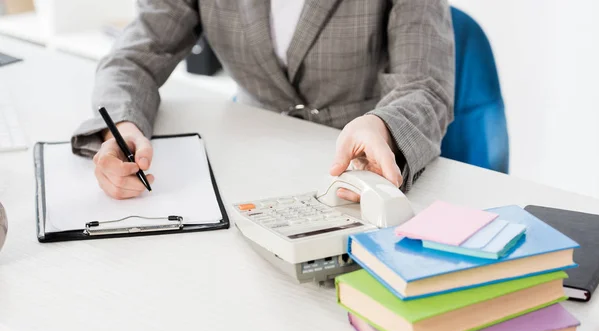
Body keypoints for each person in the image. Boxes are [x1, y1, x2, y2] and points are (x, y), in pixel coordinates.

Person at [72, 0, 455, 201]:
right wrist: (121, 127)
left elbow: (426, 85)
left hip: (357, 167)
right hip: (248, 165)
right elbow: (133, 57)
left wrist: (382, 126)